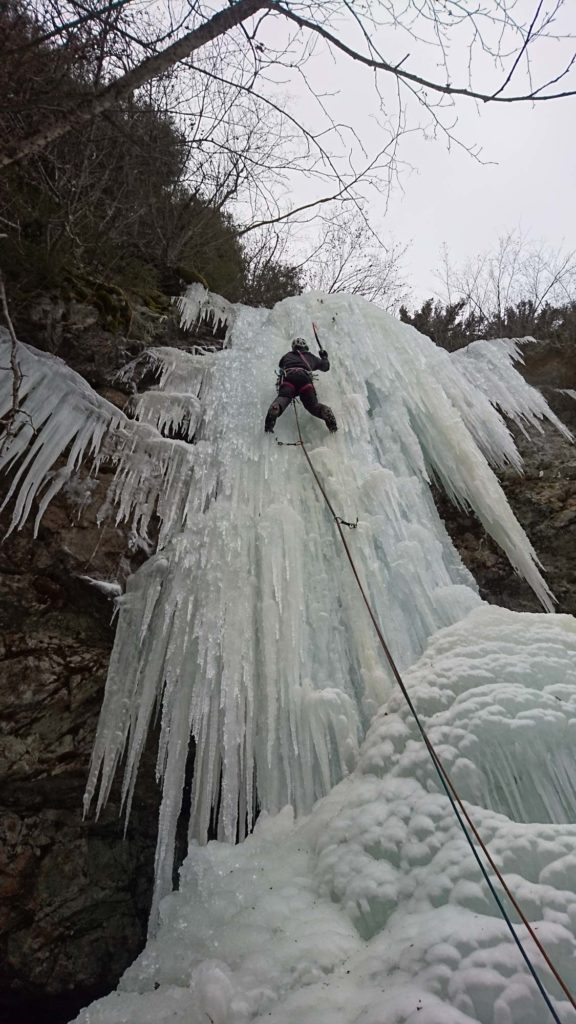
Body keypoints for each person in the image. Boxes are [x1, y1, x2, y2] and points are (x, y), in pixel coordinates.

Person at [265, 338, 338, 434]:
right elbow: (326, 366)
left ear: (293, 347)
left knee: (283, 398)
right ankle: (325, 412)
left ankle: (276, 408)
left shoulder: (287, 356)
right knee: (312, 406)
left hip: (289, 380)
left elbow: (281, 365)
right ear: (305, 347)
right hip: (305, 381)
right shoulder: (310, 357)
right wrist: (324, 356)